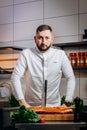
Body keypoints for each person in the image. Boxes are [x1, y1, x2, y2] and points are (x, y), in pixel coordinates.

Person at [11, 24, 75, 108]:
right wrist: (22, 102)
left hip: (54, 106)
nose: (43, 41)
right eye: (40, 38)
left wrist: (68, 101)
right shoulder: (26, 54)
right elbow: (15, 77)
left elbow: (71, 77)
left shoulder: (60, 55)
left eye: (47, 38)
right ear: (35, 39)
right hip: (31, 107)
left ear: (52, 39)